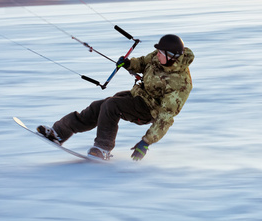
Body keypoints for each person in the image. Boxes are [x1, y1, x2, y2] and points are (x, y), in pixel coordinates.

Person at [37, 34, 194, 161]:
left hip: (150, 110)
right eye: (158, 52)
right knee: (100, 106)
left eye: (161, 53)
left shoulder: (180, 83)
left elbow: (165, 117)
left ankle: (103, 148)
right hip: (138, 95)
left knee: (112, 106)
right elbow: (143, 62)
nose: (157, 55)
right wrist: (128, 63)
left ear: (171, 56)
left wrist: (146, 142)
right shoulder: (159, 56)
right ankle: (58, 133)